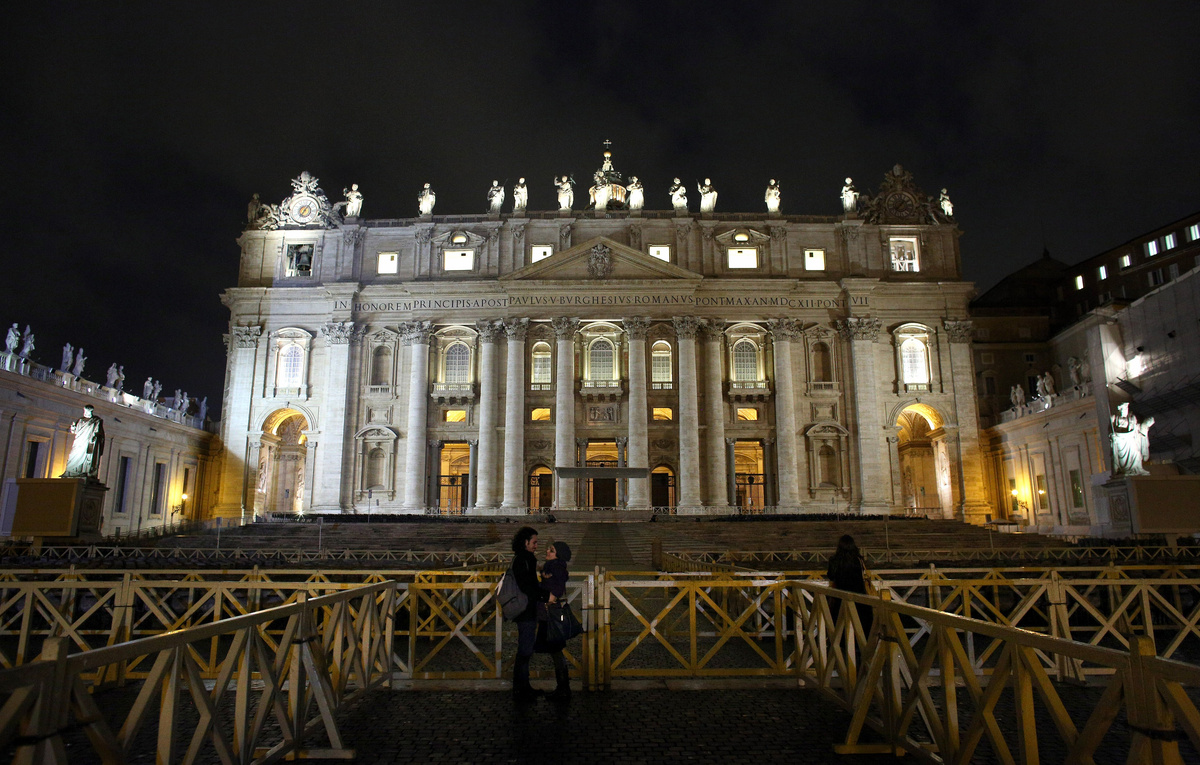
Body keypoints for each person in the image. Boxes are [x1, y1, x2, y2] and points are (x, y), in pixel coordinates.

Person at [510, 526, 549, 700]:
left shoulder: (522, 558)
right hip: (525, 610)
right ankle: (521, 688)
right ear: (525, 543)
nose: (536, 545)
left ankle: (522, 686)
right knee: (525, 650)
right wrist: (544, 594)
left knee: (525, 649)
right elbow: (527, 586)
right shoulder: (524, 560)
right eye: (534, 542)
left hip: (525, 609)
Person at [535, 540, 573, 700]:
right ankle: (563, 687)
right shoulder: (551, 567)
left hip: (551, 614)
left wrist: (549, 597)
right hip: (547, 614)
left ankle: (563, 688)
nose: (547, 552)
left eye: (551, 550)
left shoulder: (556, 568)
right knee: (555, 650)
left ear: (559, 554)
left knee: (556, 650)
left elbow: (556, 588)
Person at [826, 534, 873, 640]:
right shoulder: (858, 560)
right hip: (859, 597)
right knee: (861, 626)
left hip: (840, 597)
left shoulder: (834, 560)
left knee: (840, 626)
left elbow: (831, 576)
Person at [61, 405, 105, 479]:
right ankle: (72, 471)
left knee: (85, 456)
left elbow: (98, 432)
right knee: (73, 454)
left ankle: (83, 471)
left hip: (88, 442)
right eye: (85, 411)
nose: (86, 413)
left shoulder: (96, 420)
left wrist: (94, 436)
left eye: (88, 411)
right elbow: (75, 431)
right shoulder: (81, 420)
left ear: (91, 411)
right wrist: (73, 428)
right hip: (79, 441)